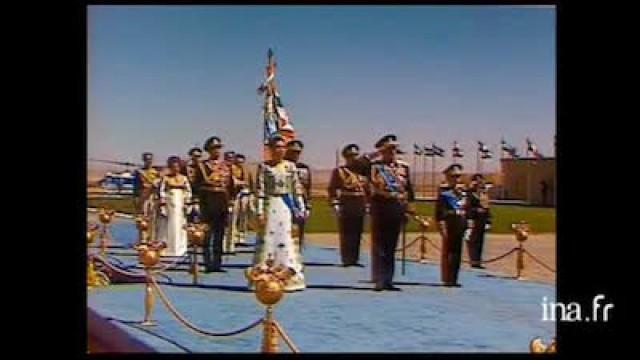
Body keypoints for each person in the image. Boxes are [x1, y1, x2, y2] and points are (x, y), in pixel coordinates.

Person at [248, 134, 307, 291]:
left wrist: (300, 207)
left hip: (285, 206)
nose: (279, 150)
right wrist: (260, 211)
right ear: (270, 149)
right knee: (268, 238)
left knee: (285, 237)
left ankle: (287, 275)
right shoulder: (264, 167)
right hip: (270, 205)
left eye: (282, 147)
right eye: (276, 147)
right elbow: (260, 190)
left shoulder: (290, 167)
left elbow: (296, 189)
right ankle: (263, 274)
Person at [369, 134, 415, 291]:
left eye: (394, 149)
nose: (393, 152)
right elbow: (371, 187)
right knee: (380, 245)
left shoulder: (404, 167)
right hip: (381, 207)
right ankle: (379, 279)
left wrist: (409, 209)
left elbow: (409, 190)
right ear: (382, 150)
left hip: (397, 208)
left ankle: (389, 279)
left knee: (391, 246)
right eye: (389, 149)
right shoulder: (375, 166)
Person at [192, 136, 234, 273]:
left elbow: (231, 185)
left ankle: (218, 262)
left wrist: (231, 200)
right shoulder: (203, 166)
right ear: (208, 150)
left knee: (220, 233)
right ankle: (208, 262)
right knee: (207, 233)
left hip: (222, 201)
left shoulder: (226, 166)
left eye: (218, 148)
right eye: (214, 148)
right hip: (208, 201)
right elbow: (196, 185)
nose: (217, 151)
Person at [328, 144, 370, 267]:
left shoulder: (363, 172)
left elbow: (367, 189)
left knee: (358, 231)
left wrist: (368, 203)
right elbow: (332, 189)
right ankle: (346, 258)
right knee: (346, 231)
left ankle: (355, 258)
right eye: (351, 156)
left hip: (360, 202)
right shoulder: (339, 171)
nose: (353, 158)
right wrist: (334, 203)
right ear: (346, 157)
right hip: (346, 201)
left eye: (355, 155)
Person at [435, 163, 469, 287]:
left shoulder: (464, 193)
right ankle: (447, 277)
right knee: (448, 252)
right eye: (454, 176)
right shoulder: (444, 193)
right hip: (450, 223)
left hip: (460, 223)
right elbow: (439, 213)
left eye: (458, 176)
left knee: (457, 252)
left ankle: (454, 277)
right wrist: (441, 226)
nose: (457, 179)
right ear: (448, 177)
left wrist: (468, 225)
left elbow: (467, 209)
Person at [156, 156, 192, 257]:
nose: (175, 169)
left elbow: (188, 191)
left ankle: (180, 248)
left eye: (177, 167)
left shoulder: (184, 178)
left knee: (180, 225)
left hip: (180, 202)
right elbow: (162, 191)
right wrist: (163, 202)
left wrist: (187, 201)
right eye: (173, 167)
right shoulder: (166, 178)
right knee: (169, 225)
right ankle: (168, 247)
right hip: (170, 202)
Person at [284, 140, 312, 251]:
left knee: (299, 231)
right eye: (292, 152)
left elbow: (308, 187)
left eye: (297, 152)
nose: (295, 154)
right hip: (284, 202)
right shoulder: (281, 165)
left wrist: (308, 205)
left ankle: (296, 255)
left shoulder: (304, 168)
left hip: (300, 202)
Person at [466, 173, 492, 269]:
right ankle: (473, 260)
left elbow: (487, 207)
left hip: (482, 220)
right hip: (473, 219)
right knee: (472, 240)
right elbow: (467, 207)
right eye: (477, 180)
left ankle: (478, 260)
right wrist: (475, 210)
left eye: (481, 180)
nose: (479, 182)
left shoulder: (483, 194)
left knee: (480, 241)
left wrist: (489, 220)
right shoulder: (470, 194)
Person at [133, 152, 161, 240]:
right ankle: (143, 239)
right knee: (143, 218)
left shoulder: (156, 172)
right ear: (144, 160)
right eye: (147, 159)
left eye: (150, 159)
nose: (149, 161)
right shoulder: (139, 172)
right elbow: (136, 187)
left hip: (153, 197)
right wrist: (136, 198)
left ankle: (152, 239)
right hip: (143, 197)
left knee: (153, 218)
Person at [230, 153, 253, 246]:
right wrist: (240, 183)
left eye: (241, 162)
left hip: (245, 194)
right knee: (234, 216)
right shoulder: (230, 169)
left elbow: (251, 182)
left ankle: (242, 236)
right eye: (238, 161)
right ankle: (233, 237)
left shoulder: (247, 170)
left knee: (244, 215)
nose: (240, 163)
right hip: (234, 194)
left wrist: (252, 193)